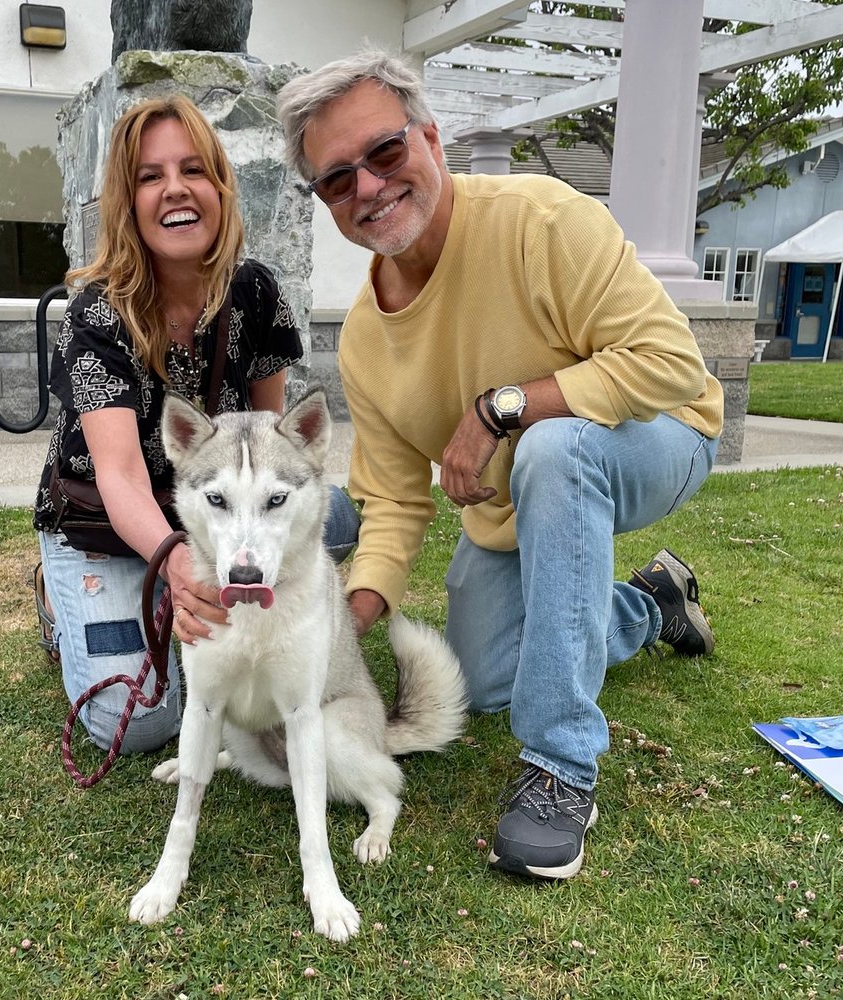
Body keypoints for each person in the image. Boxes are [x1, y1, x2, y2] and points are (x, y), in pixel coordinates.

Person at [277, 51, 724, 880]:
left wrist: (502, 408)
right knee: (482, 686)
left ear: (432, 138)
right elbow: (394, 503)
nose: (369, 188)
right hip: (516, 507)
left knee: (553, 450)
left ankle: (561, 766)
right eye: (338, 179)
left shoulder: (541, 220)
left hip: (661, 435)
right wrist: (345, 622)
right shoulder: (366, 342)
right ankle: (649, 607)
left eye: (384, 152)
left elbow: (673, 366)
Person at [32, 95, 358, 755]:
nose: (175, 189)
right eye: (150, 176)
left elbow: (274, 448)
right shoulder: (96, 314)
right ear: (129, 202)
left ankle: (175, 594)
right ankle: (58, 600)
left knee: (337, 517)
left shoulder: (257, 293)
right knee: (140, 723)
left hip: (209, 514)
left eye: (192, 169)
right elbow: (121, 476)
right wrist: (177, 563)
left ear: (219, 185)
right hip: (105, 526)